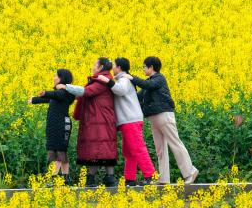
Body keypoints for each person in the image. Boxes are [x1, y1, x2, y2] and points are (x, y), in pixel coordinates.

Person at [123, 56, 198, 184]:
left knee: (175, 143)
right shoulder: (149, 82)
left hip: (164, 115)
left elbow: (149, 85)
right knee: (160, 149)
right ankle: (163, 179)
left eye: (144, 67)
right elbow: (137, 97)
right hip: (154, 118)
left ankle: (190, 172)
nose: (143, 69)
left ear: (151, 67)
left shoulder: (159, 79)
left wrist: (132, 78)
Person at [89, 57, 156, 186]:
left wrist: (108, 82)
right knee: (128, 151)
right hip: (127, 120)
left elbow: (121, 90)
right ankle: (130, 179)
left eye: (114, 65)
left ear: (119, 68)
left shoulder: (124, 78)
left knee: (138, 148)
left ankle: (150, 176)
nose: (112, 68)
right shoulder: (121, 79)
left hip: (130, 119)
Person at [57, 57, 117, 187]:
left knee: (100, 149)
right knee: (100, 149)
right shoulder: (103, 79)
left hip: (100, 120)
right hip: (99, 120)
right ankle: (103, 179)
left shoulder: (102, 81)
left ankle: (99, 179)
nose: (93, 67)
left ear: (101, 67)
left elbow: (86, 92)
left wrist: (66, 87)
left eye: (95, 64)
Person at [28, 69, 76, 184]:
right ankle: (66, 178)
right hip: (55, 125)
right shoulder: (59, 94)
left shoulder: (64, 93)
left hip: (62, 125)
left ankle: (53, 178)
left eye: (56, 76)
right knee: (59, 150)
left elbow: (54, 94)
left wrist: (45, 92)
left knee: (59, 150)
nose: (54, 78)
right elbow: (48, 98)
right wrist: (34, 100)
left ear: (61, 78)